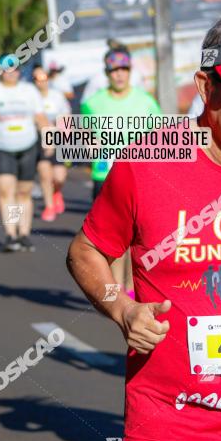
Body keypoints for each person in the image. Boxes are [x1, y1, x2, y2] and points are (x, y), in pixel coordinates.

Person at [67, 8, 221, 441]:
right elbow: (86, 250)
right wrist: (121, 306)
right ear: (204, 86)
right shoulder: (150, 160)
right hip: (174, 431)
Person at [81, 48, 161, 298]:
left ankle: (128, 287)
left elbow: (159, 139)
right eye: (114, 70)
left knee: (135, 237)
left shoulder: (146, 102)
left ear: (129, 71)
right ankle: (116, 290)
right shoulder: (92, 104)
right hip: (105, 176)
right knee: (111, 239)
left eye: (123, 70)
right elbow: (83, 137)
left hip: (139, 178)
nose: (119, 75)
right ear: (107, 73)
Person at [0, 55, 49, 253]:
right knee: (6, 192)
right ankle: (11, 234)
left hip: (27, 146)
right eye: (7, 68)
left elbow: (40, 117)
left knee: (23, 192)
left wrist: (49, 140)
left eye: (15, 68)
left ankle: (24, 232)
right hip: (0, 146)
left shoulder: (29, 91)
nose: (11, 73)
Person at [32, 65, 71, 222]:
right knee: (44, 174)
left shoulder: (57, 96)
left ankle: (57, 192)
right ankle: (49, 206)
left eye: (43, 78)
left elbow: (66, 117)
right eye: (37, 78)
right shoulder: (31, 96)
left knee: (59, 176)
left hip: (57, 138)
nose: (41, 82)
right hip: (37, 139)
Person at [81, 40, 145, 102]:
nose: (119, 74)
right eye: (114, 69)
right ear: (106, 72)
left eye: (124, 68)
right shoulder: (97, 80)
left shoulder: (136, 76)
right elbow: (86, 104)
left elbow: (143, 100)